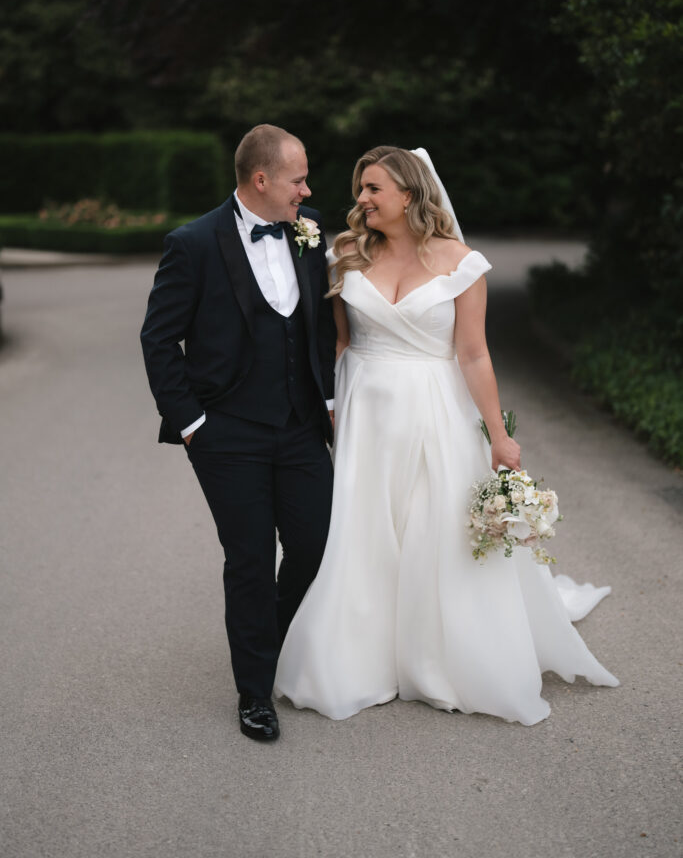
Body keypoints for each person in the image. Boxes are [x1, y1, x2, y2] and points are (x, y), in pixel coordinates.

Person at [274, 146, 618, 725]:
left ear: (409, 194)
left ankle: (439, 658)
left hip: (436, 408)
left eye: (373, 189)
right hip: (367, 410)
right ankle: (361, 657)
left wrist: (497, 435)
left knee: (436, 530)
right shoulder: (345, 254)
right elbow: (339, 342)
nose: (360, 199)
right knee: (367, 531)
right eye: (361, 188)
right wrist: (330, 404)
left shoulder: (463, 263)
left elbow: (474, 353)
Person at [140, 124, 336, 742]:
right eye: (298, 178)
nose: (307, 189)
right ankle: (255, 692)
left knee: (313, 546)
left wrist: (328, 398)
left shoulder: (311, 231)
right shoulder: (193, 244)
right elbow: (158, 339)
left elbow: (323, 326)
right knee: (250, 559)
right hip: (227, 433)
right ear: (261, 179)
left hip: (301, 424)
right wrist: (195, 423)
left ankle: (270, 641)